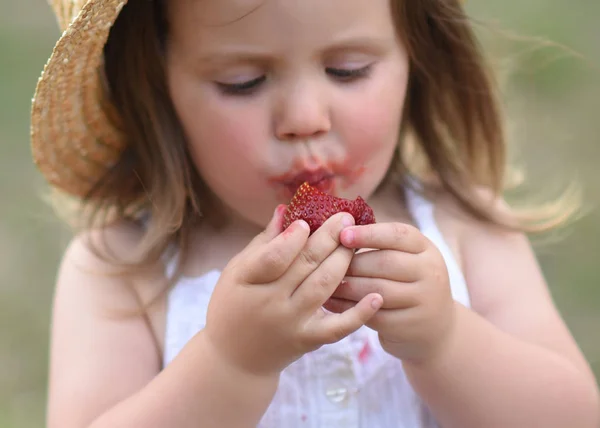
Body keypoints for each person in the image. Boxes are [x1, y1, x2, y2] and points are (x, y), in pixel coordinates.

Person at [30, 0, 599, 427]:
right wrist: (230, 363)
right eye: (242, 82)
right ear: (156, 87)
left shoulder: (466, 230)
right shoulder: (122, 271)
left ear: (415, 58)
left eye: (348, 69)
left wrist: (448, 342)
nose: (304, 117)